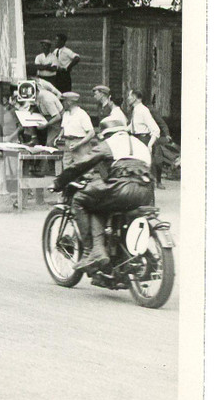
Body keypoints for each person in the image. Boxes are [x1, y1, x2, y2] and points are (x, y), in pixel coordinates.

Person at [52, 120, 155, 271]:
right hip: (146, 190)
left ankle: (90, 251)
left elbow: (82, 164)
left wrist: (59, 182)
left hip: (121, 187)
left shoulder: (110, 144)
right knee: (105, 204)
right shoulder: (141, 145)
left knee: (81, 199)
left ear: (106, 135)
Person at [56, 92, 95, 167]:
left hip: (81, 144)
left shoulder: (82, 114)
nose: (62, 104)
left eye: (63, 101)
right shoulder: (66, 114)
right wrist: (59, 135)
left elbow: (91, 133)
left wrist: (78, 144)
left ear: (69, 102)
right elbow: (64, 127)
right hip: (68, 143)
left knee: (83, 167)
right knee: (67, 167)